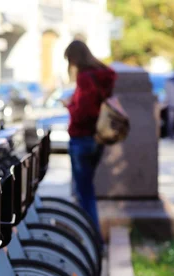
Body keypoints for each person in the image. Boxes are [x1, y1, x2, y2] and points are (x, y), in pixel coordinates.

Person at [62, 40, 117, 240]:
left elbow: (85, 112)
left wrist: (70, 106)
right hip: (97, 138)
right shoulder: (104, 75)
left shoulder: (85, 78)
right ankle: (89, 239)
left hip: (81, 138)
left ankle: (92, 240)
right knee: (87, 191)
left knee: (84, 194)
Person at [164, 66, 174, 140]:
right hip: (173, 103)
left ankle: (171, 136)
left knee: (171, 121)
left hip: (172, 103)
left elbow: (167, 93)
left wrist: (165, 102)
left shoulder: (170, 81)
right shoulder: (170, 80)